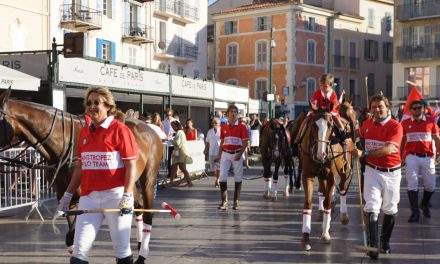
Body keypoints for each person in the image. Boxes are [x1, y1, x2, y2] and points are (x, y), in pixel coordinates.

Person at [57, 86, 138, 264]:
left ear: (108, 106)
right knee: (79, 253)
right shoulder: (85, 131)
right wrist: (67, 195)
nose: (92, 106)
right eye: (89, 103)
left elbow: (131, 164)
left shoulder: (120, 130)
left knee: (122, 251)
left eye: (97, 103)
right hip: (89, 198)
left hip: (116, 196)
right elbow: (80, 166)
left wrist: (126, 195)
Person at [351, 94, 403, 259]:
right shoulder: (368, 123)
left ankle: (384, 242)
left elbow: (389, 149)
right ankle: (373, 246)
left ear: (387, 107)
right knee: (371, 206)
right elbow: (358, 132)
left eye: (380, 106)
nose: (377, 110)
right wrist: (346, 134)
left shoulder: (396, 126)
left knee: (390, 207)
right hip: (372, 170)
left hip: (391, 172)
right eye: (373, 107)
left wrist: (364, 153)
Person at [401, 100, 440, 223]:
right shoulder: (405, 123)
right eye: (414, 108)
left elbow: (437, 139)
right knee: (412, 183)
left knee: (431, 185)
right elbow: (402, 141)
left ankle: (424, 204)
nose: (417, 110)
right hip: (411, 156)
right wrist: (400, 155)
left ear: (423, 109)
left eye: (419, 108)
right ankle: (415, 212)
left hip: (428, 157)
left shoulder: (431, 122)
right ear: (410, 110)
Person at [295, 73, 347, 144]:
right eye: (321, 86)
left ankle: (343, 135)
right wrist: (315, 108)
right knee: (305, 120)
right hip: (318, 112)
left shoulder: (333, 94)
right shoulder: (316, 93)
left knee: (337, 120)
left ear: (331, 86)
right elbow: (314, 102)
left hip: (329, 112)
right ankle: (298, 137)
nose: (322, 88)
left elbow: (335, 104)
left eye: (325, 86)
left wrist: (329, 107)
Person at [215, 104, 249, 210]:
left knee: (238, 177)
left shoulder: (242, 126)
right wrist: (219, 154)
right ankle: (224, 202)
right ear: (227, 113)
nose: (233, 113)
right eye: (231, 111)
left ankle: (236, 201)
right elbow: (222, 142)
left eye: (235, 111)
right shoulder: (223, 127)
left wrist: (240, 154)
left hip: (237, 153)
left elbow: (245, 142)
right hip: (225, 153)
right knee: (222, 177)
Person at [168, 120, 193, 187]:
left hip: (180, 153)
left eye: (173, 126)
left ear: (176, 126)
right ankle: (172, 182)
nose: (172, 127)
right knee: (175, 167)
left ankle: (189, 182)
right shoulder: (180, 132)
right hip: (178, 152)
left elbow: (177, 143)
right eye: (171, 126)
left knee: (181, 168)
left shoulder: (179, 132)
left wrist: (170, 140)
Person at [205, 118, 221, 187]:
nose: (214, 124)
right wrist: (205, 149)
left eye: (216, 123)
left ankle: (217, 180)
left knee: (218, 168)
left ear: (219, 124)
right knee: (213, 169)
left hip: (219, 153)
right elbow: (207, 141)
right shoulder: (209, 131)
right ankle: (217, 178)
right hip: (211, 152)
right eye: (213, 123)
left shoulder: (222, 131)